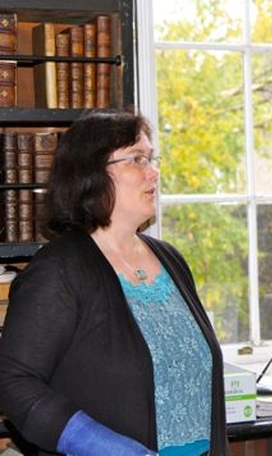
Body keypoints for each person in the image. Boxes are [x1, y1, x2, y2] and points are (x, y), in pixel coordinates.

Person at [0, 110, 230, 455]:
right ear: (91, 172)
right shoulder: (60, 270)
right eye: (137, 159)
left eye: (151, 159)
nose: (153, 172)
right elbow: (13, 382)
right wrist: (100, 446)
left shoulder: (171, 260)